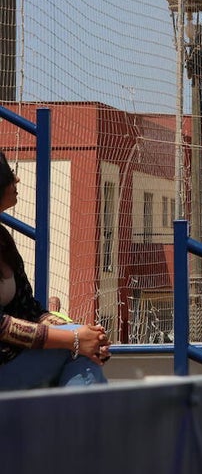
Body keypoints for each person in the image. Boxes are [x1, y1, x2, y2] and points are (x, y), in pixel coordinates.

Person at [0, 152, 108, 390]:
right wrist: (74, 338)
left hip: (13, 363)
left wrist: (84, 333)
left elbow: (30, 309)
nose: (17, 179)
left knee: (84, 349)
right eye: (9, 173)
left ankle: (77, 413)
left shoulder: (3, 239)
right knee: (77, 350)